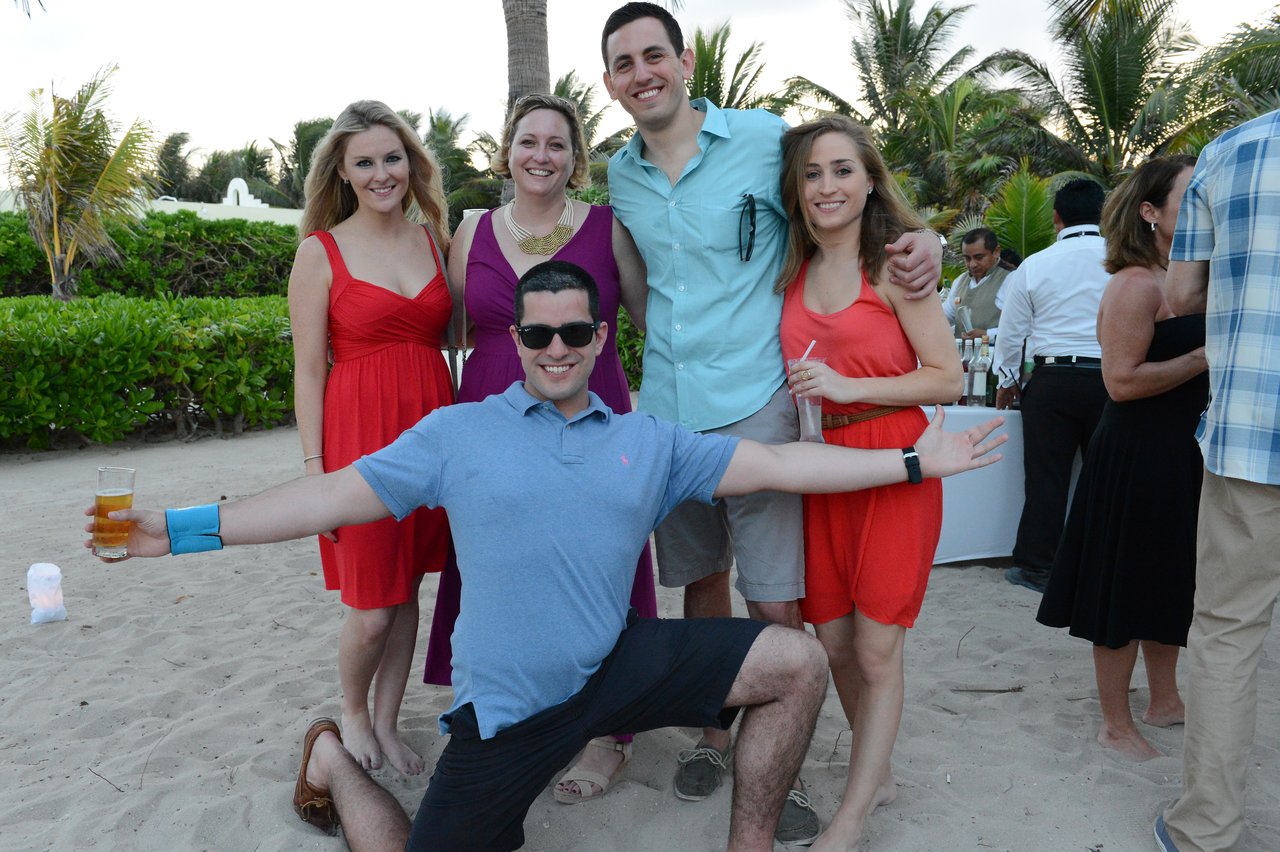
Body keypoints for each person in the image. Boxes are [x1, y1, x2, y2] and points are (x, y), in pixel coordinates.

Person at [87, 261, 1006, 852]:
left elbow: (781, 462)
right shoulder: (456, 434)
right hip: (511, 708)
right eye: (538, 334)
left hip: (619, 667)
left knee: (796, 661)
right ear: (516, 341)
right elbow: (325, 498)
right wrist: (178, 529)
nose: (558, 348)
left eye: (576, 332)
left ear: (601, 338)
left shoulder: (648, 440)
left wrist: (919, 458)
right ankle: (331, 757)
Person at [599, 5, 944, 836]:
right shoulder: (620, 175)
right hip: (673, 413)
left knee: (778, 598)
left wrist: (922, 237)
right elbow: (638, 283)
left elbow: (845, 191)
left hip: (760, 402)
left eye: (655, 55)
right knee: (700, 582)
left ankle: (778, 759)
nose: (642, 72)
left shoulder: (763, 139)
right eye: (623, 63)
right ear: (610, 83)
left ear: (684, 61)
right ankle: (717, 734)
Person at [423, 92, 655, 804]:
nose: (542, 156)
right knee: (500, 563)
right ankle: (509, 710)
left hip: (594, 407)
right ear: (507, 150)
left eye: (557, 144)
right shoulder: (471, 232)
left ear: (575, 158)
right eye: (529, 141)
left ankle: (607, 733)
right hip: (497, 409)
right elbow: (458, 331)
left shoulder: (610, 229)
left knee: (602, 556)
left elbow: (645, 318)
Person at [777, 116, 962, 850]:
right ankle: (872, 766)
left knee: (879, 648)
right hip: (824, 469)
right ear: (796, 186)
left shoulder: (894, 267)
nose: (827, 186)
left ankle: (853, 815)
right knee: (834, 642)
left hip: (895, 463)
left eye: (843, 170)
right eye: (813, 172)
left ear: (869, 179)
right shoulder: (789, 269)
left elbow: (946, 378)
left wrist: (850, 386)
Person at [286, 100, 454, 776]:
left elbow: (468, 331)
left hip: (434, 432)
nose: (383, 173)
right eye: (366, 162)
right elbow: (306, 371)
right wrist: (314, 473)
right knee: (373, 606)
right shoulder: (318, 252)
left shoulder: (433, 238)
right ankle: (353, 712)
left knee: (409, 586)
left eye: (393, 158)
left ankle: (386, 721)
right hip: (360, 439)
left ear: (410, 165)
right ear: (344, 174)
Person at [1035, 156, 1205, 763]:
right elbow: (1121, 383)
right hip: (1137, 455)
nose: (1205, 208)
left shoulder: (1188, 278)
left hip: (1183, 453)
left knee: (1169, 581)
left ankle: (1165, 700)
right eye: (1191, 198)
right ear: (1150, 212)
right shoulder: (1136, 284)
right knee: (1121, 590)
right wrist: (1205, 355)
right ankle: (1114, 721)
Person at [1155, 109, 1280, 852]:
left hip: (1252, 436)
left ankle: (1206, 830)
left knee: (1229, 635)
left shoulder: (1230, 153)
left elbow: (1181, 294)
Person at [992, 178, 1110, 594]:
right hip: (1111, 381)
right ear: (1104, 214)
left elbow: (1010, 333)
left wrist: (1006, 380)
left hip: (1052, 380)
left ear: (1056, 217)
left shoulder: (1035, 263)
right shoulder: (1125, 259)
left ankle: (1038, 566)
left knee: (1046, 478)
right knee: (1105, 478)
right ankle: (1099, 564)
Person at [943, 227, 1010, 340]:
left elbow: (1021, 327)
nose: (972, 264)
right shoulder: (960, 281)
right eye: (967, 258)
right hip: (961, 355)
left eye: (979, 257)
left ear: (996, 252)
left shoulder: (1010, 280)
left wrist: (987, 334)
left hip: (994, 356)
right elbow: (944, 317)